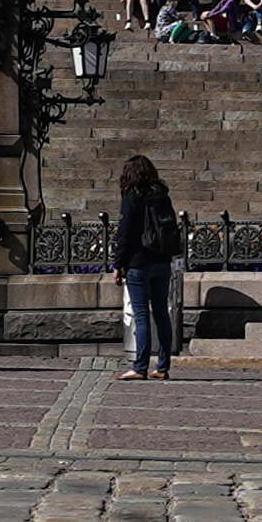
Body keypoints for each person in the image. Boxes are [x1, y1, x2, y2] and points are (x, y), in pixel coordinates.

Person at [111, 151, 189, 376]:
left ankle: (140, 367)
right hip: (162, 261)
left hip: (138, 263)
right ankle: (163, 367)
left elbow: (124, 235)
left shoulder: (131, 197)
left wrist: (118, 265)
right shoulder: (162, 196)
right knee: (162, 314)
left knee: (141, 314)